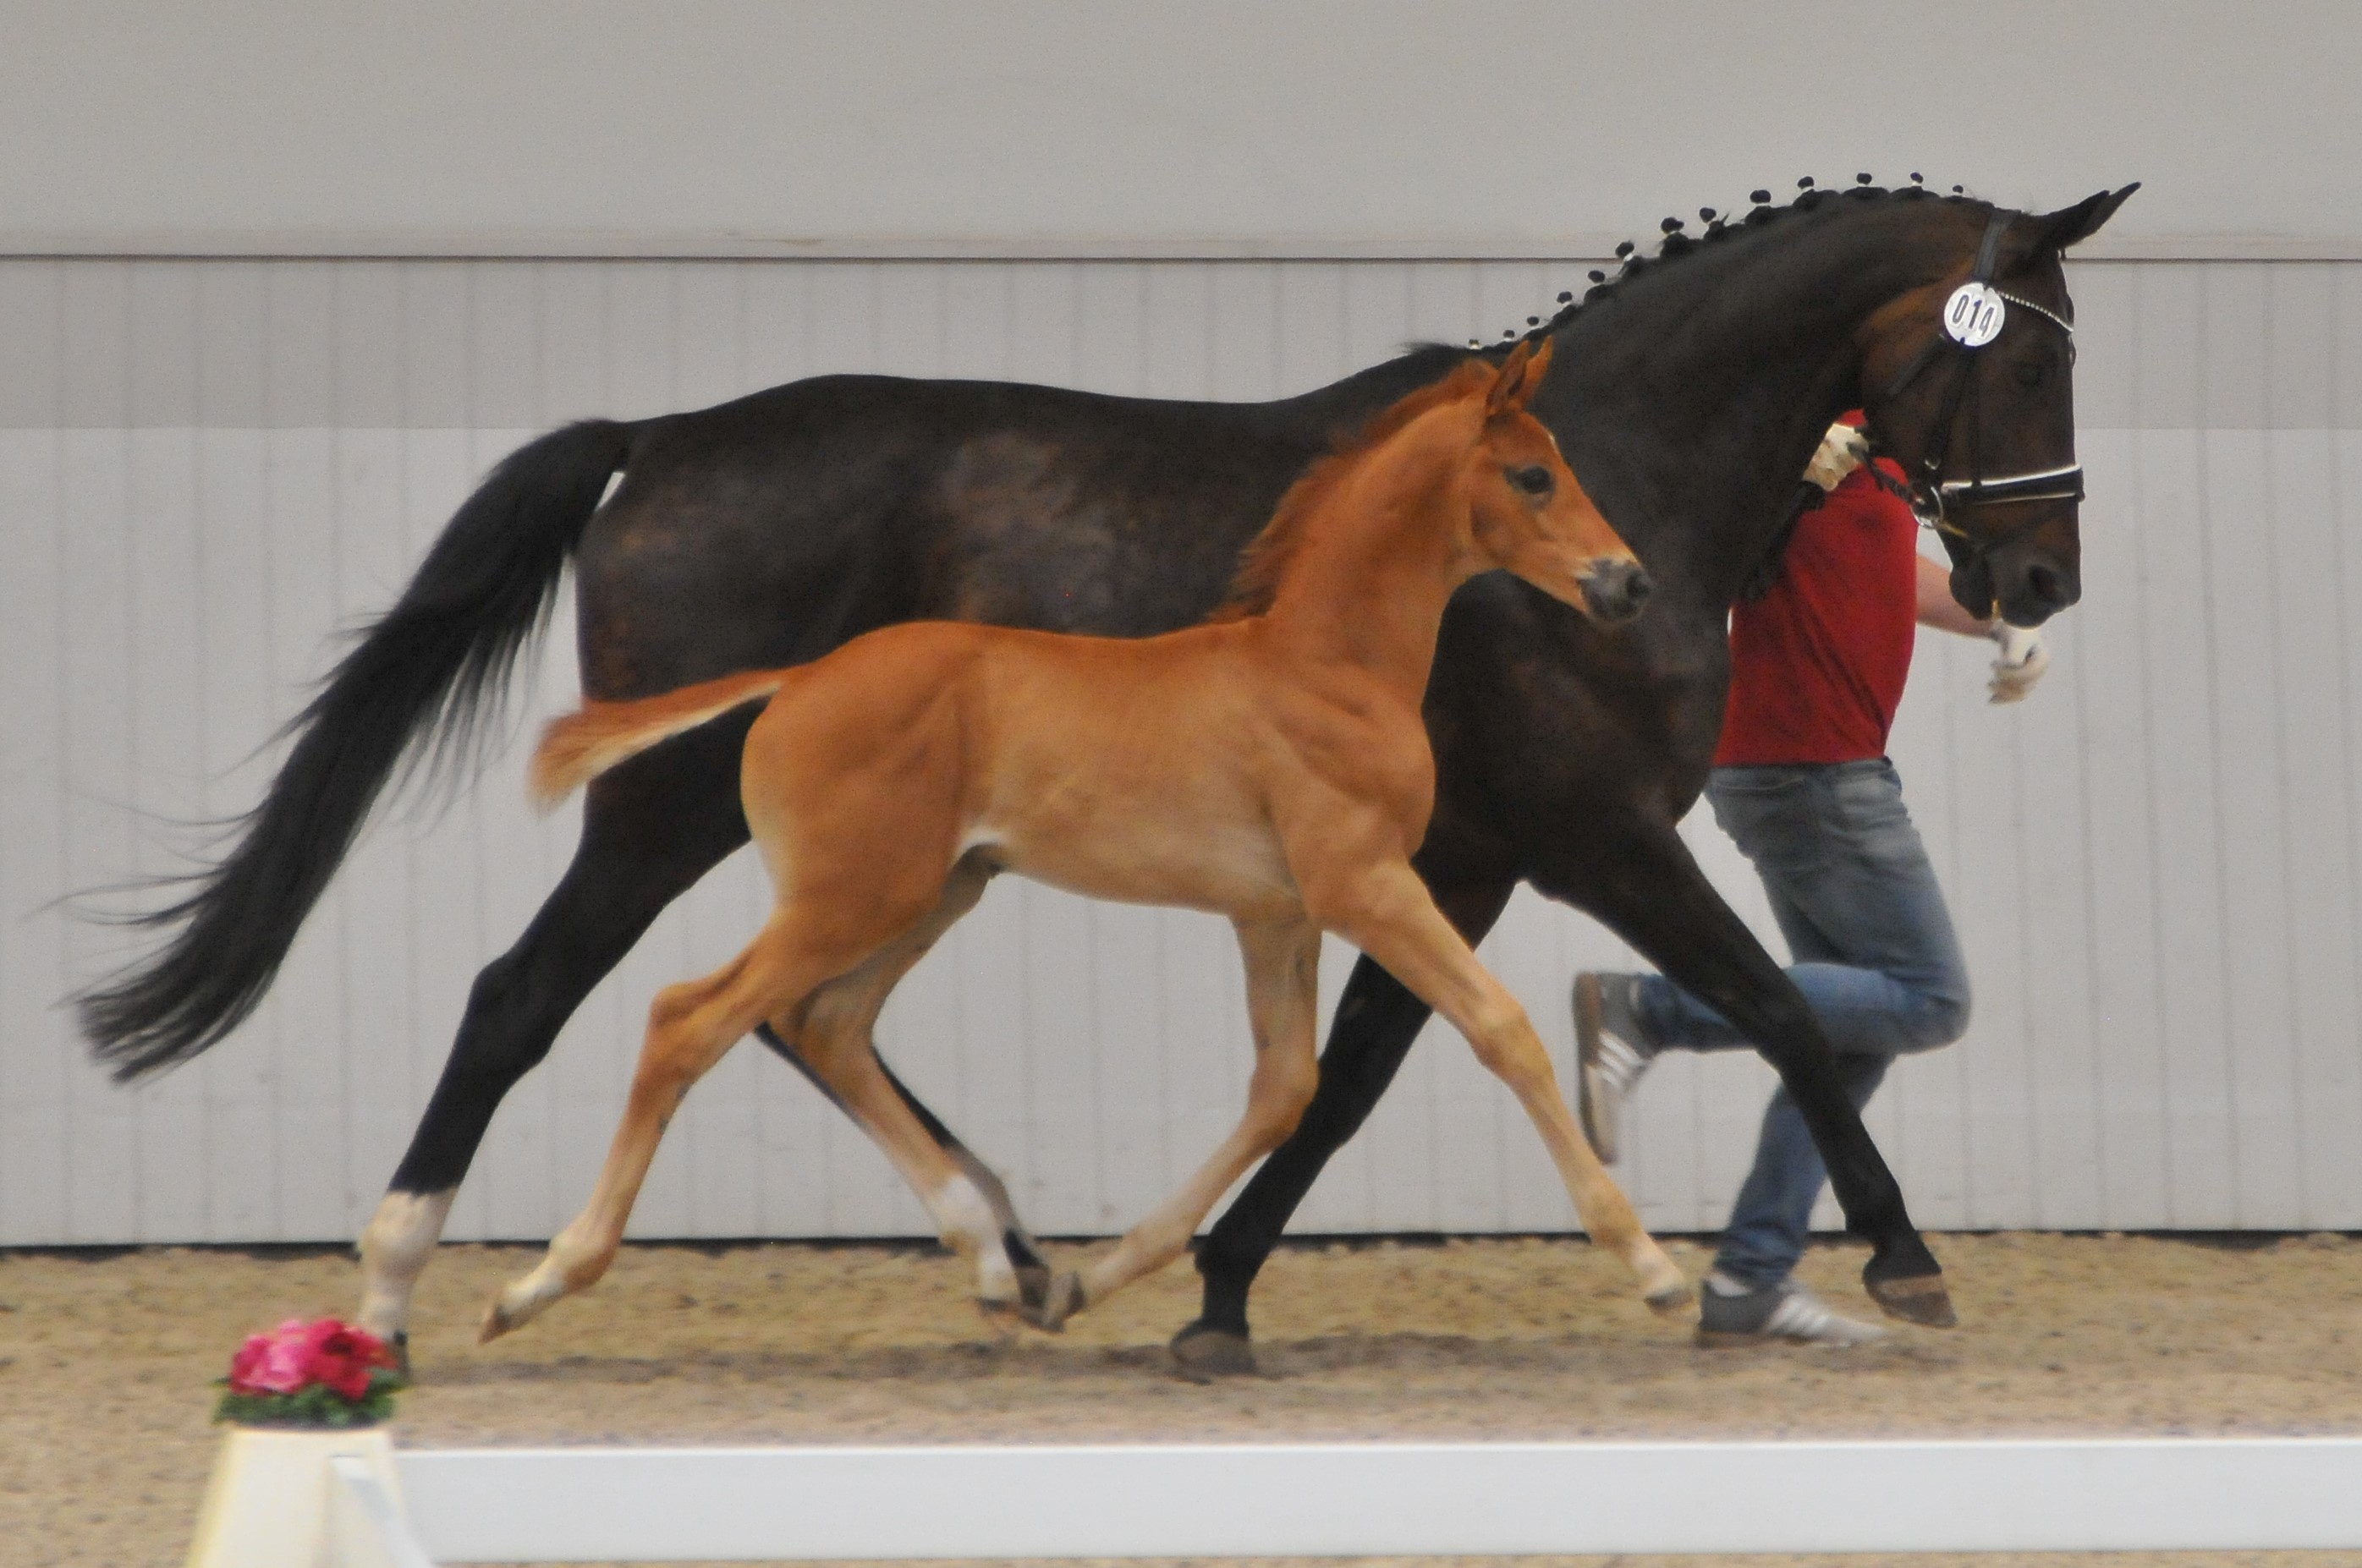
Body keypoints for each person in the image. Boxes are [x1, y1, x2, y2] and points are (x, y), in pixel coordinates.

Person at [1574, 417, 2049, 1346]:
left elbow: (1877, 572)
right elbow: (1700, 525)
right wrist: (1784, 462)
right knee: (1928, 997)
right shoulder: (1801, 423)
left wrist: (2000, 619)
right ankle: (1647, 1009)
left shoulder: (1882, 446)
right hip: (1813, 771)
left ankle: (1751, 1278)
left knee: (1844, 1037)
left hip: (1800, 767)